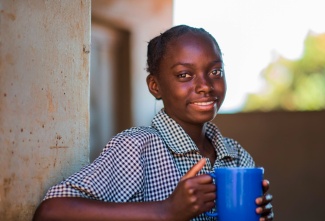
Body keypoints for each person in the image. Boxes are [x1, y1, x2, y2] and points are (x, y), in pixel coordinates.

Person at [33, 24, 274, 221]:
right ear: (155, 86)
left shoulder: (237, 157)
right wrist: (166, 210)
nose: (205, 86)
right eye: (184, 75)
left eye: (215, 72)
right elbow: (50, 213)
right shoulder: (137, 148)